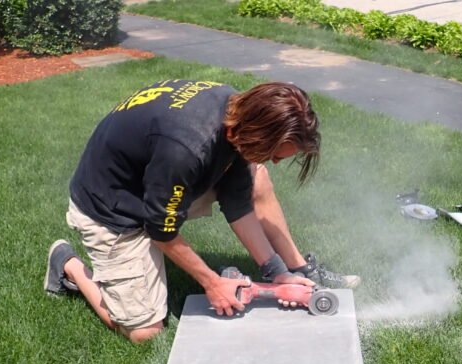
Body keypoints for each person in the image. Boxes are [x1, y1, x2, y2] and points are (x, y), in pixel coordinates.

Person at [43, 78, 359, 343]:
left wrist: (277, 273)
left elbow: (238, 201)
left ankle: (296, 268)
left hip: (153, 182)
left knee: (257, 178)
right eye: (275, 154)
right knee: (144, 332)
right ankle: (68, 265)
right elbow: (160, 230)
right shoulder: (185, 149)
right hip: (111, 208)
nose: (275, 162)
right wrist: (211, 283)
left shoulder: (237, 113)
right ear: (257, 134)